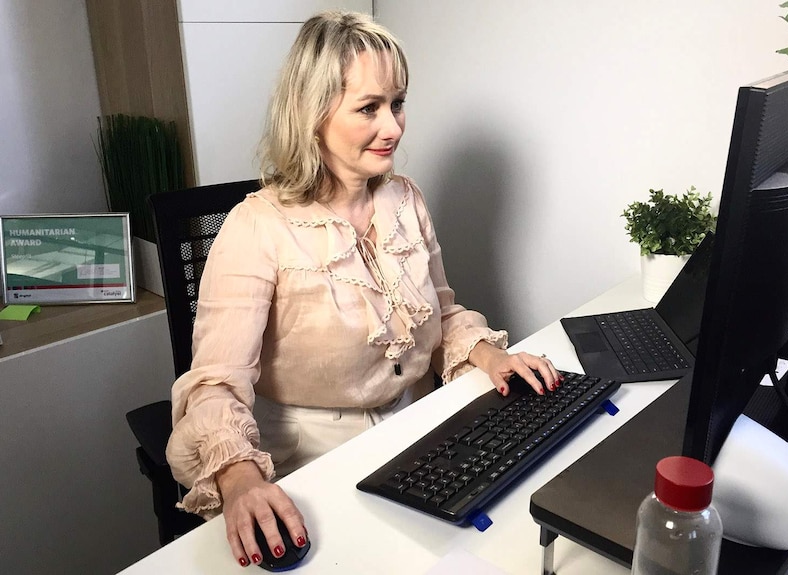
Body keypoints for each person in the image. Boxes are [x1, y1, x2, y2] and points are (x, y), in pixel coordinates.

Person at [166, 10, 561, 569]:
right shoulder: (255, 228)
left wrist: (489, 353)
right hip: (312, 458)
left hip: (417, 428)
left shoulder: (405, 199)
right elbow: (215, 386)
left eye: (397, 103)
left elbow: (441, 315)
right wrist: (238, 478)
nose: (394, 127)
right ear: (313, 113)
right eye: (369, 108)